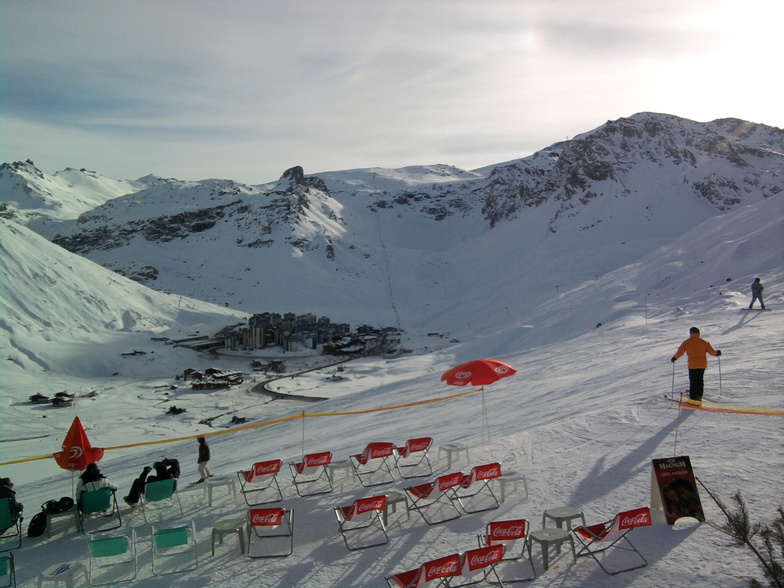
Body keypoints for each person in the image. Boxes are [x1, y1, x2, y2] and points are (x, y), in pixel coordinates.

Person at [671, 327, 721, 401]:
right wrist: (717, 353)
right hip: (702, 364)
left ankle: (693, 396)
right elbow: (711, 351)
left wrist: (675, 358)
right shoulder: (704, 342)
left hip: (692, 365)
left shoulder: (687, 342)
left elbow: (680, 352)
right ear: (698, 333)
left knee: (693, 380)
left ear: (691, 333)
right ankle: (699, 395)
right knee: (700, 379)